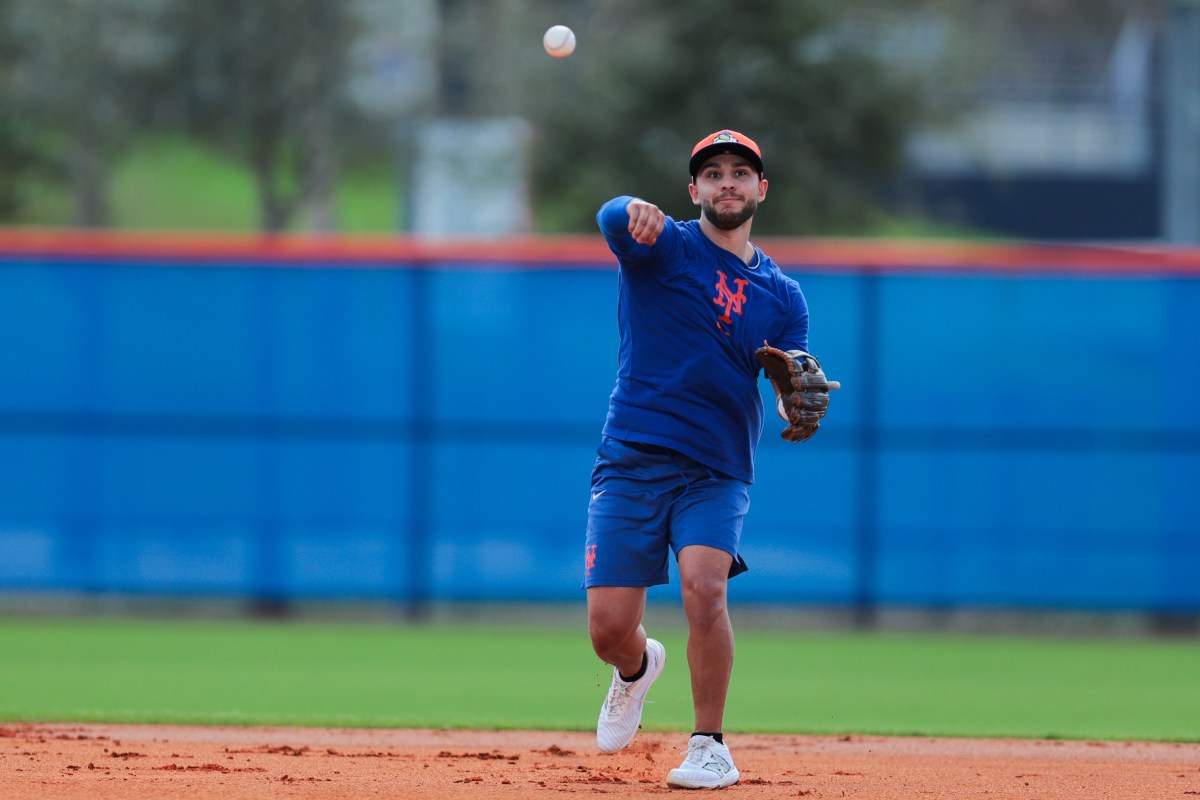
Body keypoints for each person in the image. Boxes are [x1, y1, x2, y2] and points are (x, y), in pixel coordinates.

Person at [583, 129, 832, 789]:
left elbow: (791, 383)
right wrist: (630, 207)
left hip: (716, 467)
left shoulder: (783, 295)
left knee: (704, 586)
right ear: (693, 190)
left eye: (740, 173)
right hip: (632, 455)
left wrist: (791, 397)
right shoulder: (663, 245)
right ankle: (637, 669)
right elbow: (611, 217)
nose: (728, 182)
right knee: (609, 630)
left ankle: (710, 744)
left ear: (760, 190)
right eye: (714, 173)